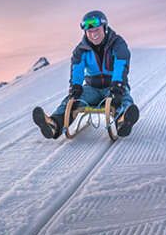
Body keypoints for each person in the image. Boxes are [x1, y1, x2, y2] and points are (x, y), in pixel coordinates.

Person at [33, 10, 139, 139]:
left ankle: (123, 121)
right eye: (90, 32)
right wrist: (75, 86)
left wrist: (117, 85)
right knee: (71, 102)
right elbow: (77, 69)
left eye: (97, 30)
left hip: (113, 85)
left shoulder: (117, 44)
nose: (93, 35)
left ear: (104, 28)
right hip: (92, 88)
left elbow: (121, 64)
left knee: (123, 99)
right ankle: (54, 124)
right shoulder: (81, 50)